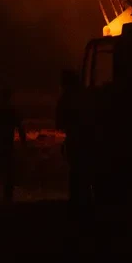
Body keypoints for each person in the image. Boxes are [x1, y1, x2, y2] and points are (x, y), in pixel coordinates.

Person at [56, 69, 98, 207]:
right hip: (90, 138)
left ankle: (77, 202)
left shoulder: (66, 98)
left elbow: (59, 122)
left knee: (76, 171)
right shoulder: (87, 95)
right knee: (87, 170)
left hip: (75, 139)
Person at [0, 88, 28, 202]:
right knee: (8, 172)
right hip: (7, 144)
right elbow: (21, 129)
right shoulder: (13, 111)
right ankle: (7, 196)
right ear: (9, 98)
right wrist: (24, 144)